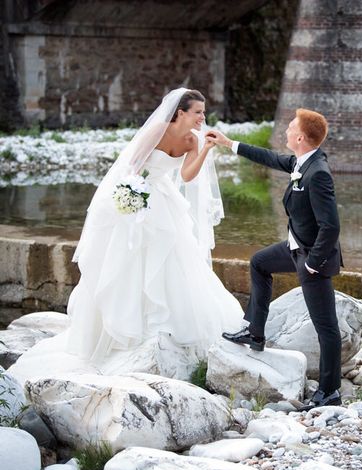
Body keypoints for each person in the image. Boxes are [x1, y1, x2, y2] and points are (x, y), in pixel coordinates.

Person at [9, 88, 244, 382]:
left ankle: (165, 327)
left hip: (165, 202)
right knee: (129, 259)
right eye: (198, 112)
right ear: (181, 113)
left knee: (171, 257)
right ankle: (127, 332)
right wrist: (132, 195)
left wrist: (207, 149)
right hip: (139, 198)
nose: (203, 118)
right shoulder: (158, 129)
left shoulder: (193, 140)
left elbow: (186, 176)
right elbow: (131, 165)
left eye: (203, 112)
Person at [209, 109, 344, 409]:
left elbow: (331, 226)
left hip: (312, 260)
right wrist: (228, 143)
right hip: (295, 248)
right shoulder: (301, 162)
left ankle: (330, 391)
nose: (285, 131)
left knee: (326, 327)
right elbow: (270, 158)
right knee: (259, 262)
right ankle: (255, 331)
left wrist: (313, 263)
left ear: (300, 138)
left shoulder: (318, 173)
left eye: (290, 127)